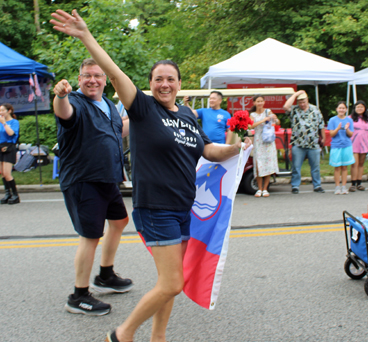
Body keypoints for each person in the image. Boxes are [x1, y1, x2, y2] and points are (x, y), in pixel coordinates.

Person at [50, 9, 251, 342]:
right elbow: (113, 74)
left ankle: (158, 337)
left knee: (167, 282)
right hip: (155, 208)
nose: (164, 83)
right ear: (150, 84)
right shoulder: (142, 108)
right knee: (173, 283)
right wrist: (86, 36)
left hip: (183, 207)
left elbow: (209, 150)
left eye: (170, 78)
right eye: (158, 78)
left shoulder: (187, 114)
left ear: (179, 84)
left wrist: (236, 146)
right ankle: (123, 334)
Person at [52, 58, 132, 316]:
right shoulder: (74, 101)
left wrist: (146, 116)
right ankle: (79, 295)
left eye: (97, 75)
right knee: (90, 236)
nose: (92, 80)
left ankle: (106, 276)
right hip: (84, 179)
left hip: (106, 178)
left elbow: (118, 129)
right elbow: (63, 112)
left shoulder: (107, 104)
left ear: (105, 79)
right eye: (87, 75)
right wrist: (60, 95)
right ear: (79, 79)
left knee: (119, 221)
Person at [283, 90, 325, 194]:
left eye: (304, 101)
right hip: (298, 143)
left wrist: (323, 138)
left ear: (307, 100)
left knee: (315, 167)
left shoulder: (315, 109)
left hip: (313, 143)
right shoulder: (294, 110)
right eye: (300, 102)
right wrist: (296, 94)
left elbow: (321, 124)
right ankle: (295, 186)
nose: (302, 104)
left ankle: (317, 185)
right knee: (296, 167)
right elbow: (286, 106)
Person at [249, 95, 280, 197]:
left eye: (261, 101)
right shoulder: (252, 114)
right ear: (254, 103)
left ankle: (265, 189)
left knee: (268, 165)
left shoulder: (268, 111)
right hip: (258, 141)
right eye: (258, 101)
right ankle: (259, 188)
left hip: (269, 142)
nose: (260, 103)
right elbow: (251, 125)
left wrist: (275, 118)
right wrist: (263, 120)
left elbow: (278, 122)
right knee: (259, 165)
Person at [327, 101, 354, 195]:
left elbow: (351, 134)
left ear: (346, 109)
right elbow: (331, 134)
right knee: (337, 167)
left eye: (343, 108)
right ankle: (337, 186)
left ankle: (344, 186)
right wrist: (338, 128)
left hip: (346, 145)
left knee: (345, 167)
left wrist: (347, 129)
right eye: (340, 108)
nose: (341, 110)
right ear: (336, 109)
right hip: (336, 145)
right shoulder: (332, 120)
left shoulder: (349, 120)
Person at [349, 100, 368, 192]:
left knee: (361, 164)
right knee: (354, 164)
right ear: (355, 108)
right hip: (353, 143)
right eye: (358, 107)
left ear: (365, 108)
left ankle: (359, 183)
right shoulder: (350, 118)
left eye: (362, 107)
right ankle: (353, 183)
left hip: (365, 143)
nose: (360, 109)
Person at [0, 103, 20, 204]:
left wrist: (4, 123)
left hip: (9, 147)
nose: (1, 113)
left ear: (9, 111)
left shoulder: (14, 122)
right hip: (0, 147)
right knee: (2, 173)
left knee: (7, 174)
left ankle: (15, 195)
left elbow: (11, 133)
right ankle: (8, 194)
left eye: (3, 110)